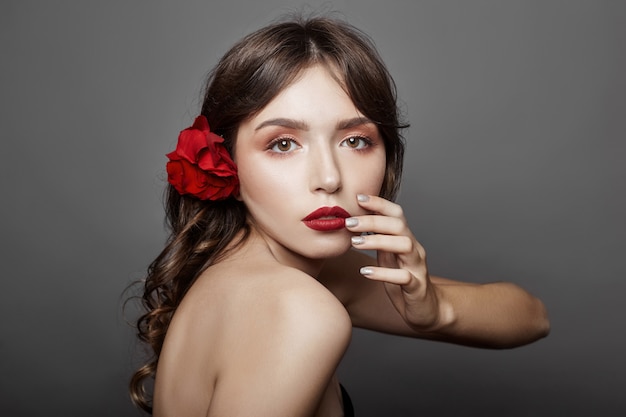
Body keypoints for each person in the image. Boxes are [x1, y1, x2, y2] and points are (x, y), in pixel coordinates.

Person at [128, 15, 549, 417]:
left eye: (354, 140)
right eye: (283, 144)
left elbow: (532, 317)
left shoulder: (263, 273)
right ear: (226, 164)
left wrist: (436, 310)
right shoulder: (297, 307)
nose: (329, 178)